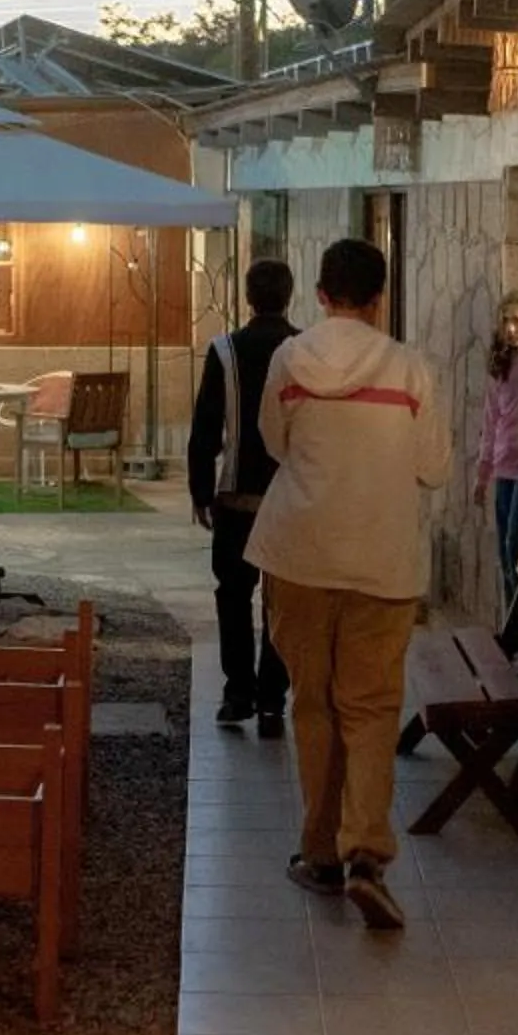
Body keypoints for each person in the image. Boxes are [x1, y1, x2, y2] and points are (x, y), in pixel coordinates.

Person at [246, 238, 450, 933]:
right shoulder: (411, 369)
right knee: (369, 709)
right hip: (384, 563)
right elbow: (435, 468)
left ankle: (318, 851)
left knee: (315, 704)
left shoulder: (290, 360)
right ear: (379, 298)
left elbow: (275, 443)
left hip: (300, 555)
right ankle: (365, 854)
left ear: (322, 296)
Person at [187, 258, 297, 734]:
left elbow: (205, 426)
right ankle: (273, 698)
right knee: (282, 601)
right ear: (289, 295)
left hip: (235, 499)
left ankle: (237, 695)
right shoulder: (304, 350)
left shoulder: (225, 351)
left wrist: (200, 490)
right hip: (292, 501)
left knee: (233, 596)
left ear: (248, 298)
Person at [474, 292, 518, 598]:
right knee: (504, 551)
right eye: (506, 320)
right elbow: (490, 419)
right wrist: (482, 477)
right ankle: (512, 623)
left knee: (514, 541)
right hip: (503, 465)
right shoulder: (501, 365)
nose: (511, 328)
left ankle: (517, 626)